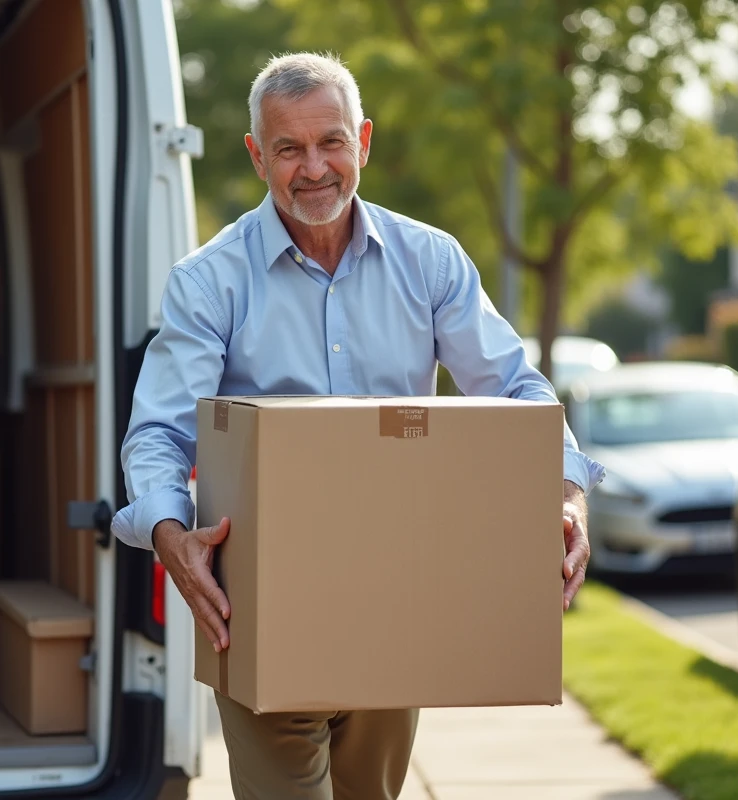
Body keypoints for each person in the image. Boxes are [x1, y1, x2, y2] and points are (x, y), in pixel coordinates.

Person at [112, 51, 606, 800]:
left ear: (364, 142)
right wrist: (168, 535)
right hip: (260, 610)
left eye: (331, 142)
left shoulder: (431, 263)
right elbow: (158, 435)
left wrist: (567, 491)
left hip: (396, 595)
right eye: (288, 148)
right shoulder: (210, 281)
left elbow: (516, 388)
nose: (314, 168)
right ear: (257, 156)